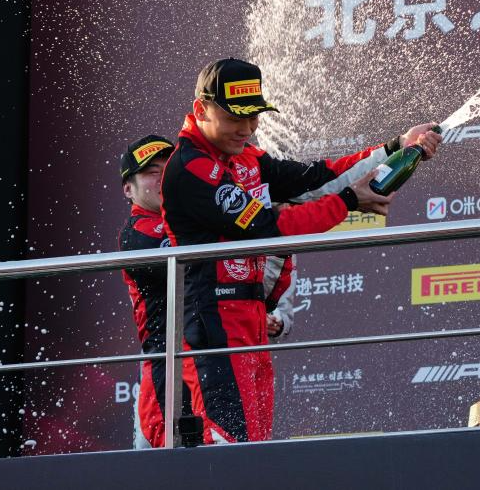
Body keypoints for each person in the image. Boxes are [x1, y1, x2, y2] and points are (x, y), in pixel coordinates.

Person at [161, 57, 441, 443]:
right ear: (201, 110)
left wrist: (395, 148)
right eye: (235, 118)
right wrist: (349, 201)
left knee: (255, 444)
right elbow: (268, 229)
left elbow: (315, 179)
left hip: (252, 316)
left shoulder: (246, 157)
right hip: (214, 319)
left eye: (254, 117)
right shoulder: (190, 168)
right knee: (228, 445)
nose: (247, 128)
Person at [117, 134, 198, 448]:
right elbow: (193, 266)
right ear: (128, 189)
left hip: (205, 352)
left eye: (169, 170)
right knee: (169, 456)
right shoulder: (137, 232)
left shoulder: (191, 219)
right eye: (153, 173)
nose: (163, 179)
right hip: (168, 362)